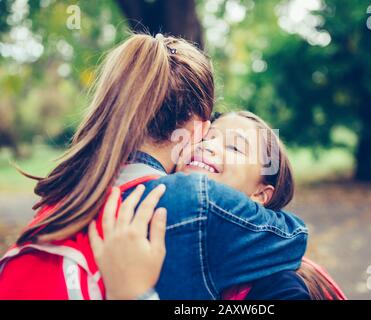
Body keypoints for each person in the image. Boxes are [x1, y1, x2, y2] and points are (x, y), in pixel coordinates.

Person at [0, 34, 307, 300]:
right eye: (210, 136)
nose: (211, 147)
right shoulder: (194, 205)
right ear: (197, 130)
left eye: (235, 146)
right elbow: (295, 236)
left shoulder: (66, 197)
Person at [90, 111, 346, 300]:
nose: (207, 147)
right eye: (205, 138)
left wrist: (135, 295)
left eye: (234, 146)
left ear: (259, 194)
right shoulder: (159, 225)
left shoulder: (277, 285)